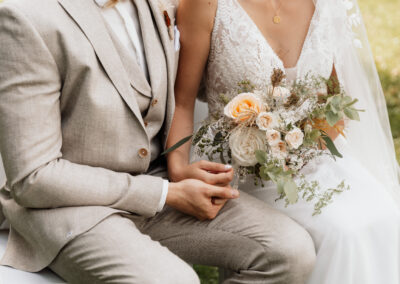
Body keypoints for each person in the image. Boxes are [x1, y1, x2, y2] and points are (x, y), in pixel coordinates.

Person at [0, 0, 317, 283]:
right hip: (71, 208)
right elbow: (34, 179)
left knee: (289, 251)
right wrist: (166, 192)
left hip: (157, 179)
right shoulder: (26, 16)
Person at [167, 0, 400, 283]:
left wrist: (302, 142)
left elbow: (334, 101)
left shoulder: (326, 5)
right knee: (343, 232)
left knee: (386, 215)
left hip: (310, 160)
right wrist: (178, 169)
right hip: (241, 171)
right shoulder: (205, 5)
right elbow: (181, 102)